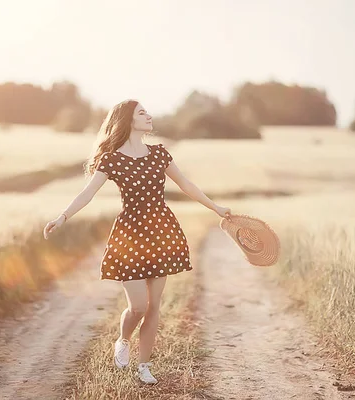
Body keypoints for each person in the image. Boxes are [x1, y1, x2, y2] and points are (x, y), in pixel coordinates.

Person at [43, 99, 231, 384]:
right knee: (139, 306)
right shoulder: (111, 159)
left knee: (155, 306)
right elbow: (87, 193)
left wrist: (217, 208)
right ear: (128, 120)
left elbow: (187, 185)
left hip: (162, 232)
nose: (149, 115)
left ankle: (144, 366)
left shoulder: (160, 154)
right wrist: (62, 217)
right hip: (129, 236)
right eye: (142, 112)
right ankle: (123, 339)